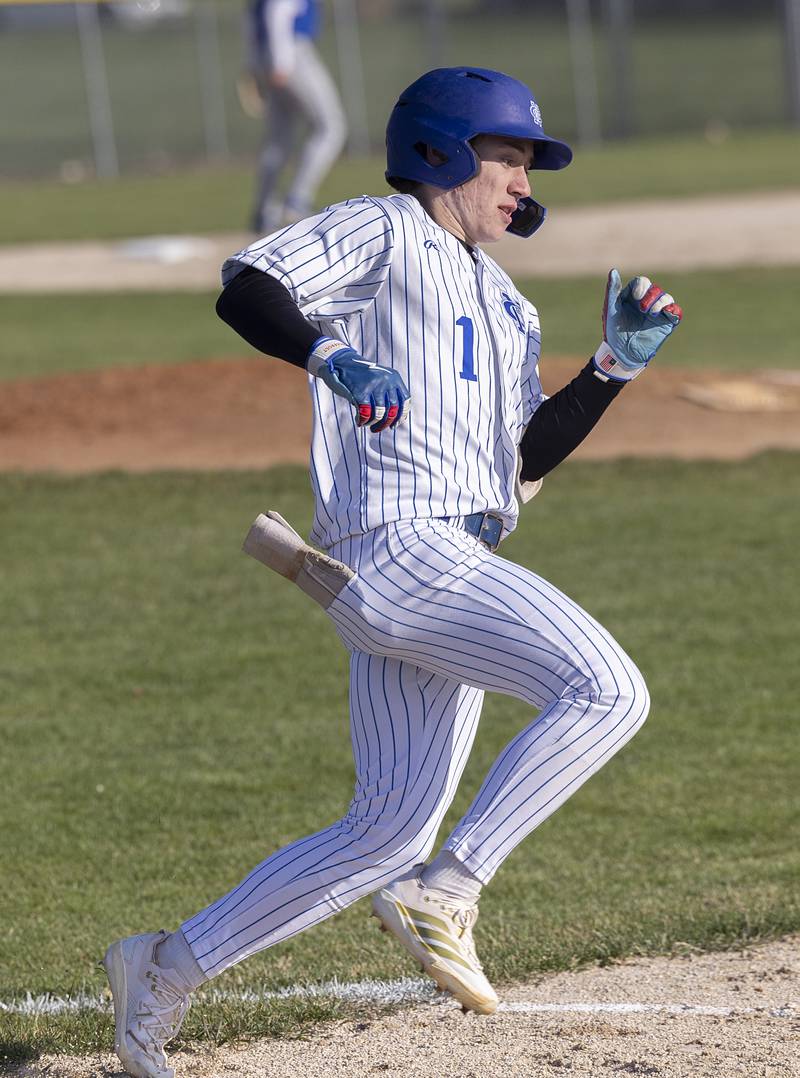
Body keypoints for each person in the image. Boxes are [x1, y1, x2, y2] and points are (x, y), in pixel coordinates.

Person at [104, 66, 683, 1078]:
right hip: (397, 548)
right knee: (606, 689)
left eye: (526, 163)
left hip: (449, 557)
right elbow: (247, 287)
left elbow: (522, 460)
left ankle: (159, 968)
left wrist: (609, 369)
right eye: (507, 155)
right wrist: (330, 356)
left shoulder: (509, 306)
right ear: (440, 153)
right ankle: (448, 889)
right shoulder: (384, 230)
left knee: (383, 828)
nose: (520, 180)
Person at [243, 0, 347, 233]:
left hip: (265, 53)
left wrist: (253, 63)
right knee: (331, 127)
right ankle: (297, 200)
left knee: (279, 139)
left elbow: (251, 20)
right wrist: (281, 60)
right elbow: (277, 11)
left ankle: (264, 211)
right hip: (291, 51)